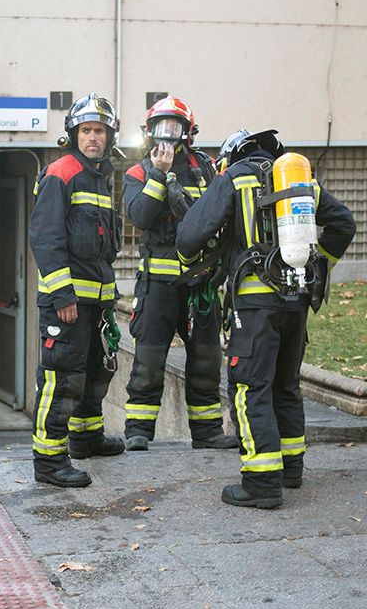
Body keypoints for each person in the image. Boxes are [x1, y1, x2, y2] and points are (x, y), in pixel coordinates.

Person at [177, 130, 355, 509]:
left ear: (231, 155)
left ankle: (261, 483)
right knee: (285, 386)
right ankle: (291, 471)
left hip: (255, 306)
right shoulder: (297, 179)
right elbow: (344, 223)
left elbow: (190, 236)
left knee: (249, 387)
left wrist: (195, 267)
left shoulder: (234, 177)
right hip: (296, 300)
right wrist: (319, 265)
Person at [121, 97, 237, 451]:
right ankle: (138, 431)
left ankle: (207, 433)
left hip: (201, 285)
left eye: (174, 128)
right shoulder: (139, 172)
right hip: (158, 287)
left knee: (206, 359)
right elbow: (139, 217)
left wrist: (218, 269)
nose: (167, 136)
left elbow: (224, 215)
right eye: (161, 128)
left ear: (188, 132)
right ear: (148, 133)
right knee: (149, 359)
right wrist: (158, 175)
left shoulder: (209, 169)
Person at [28, 93, 127, 488]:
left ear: (108, 136)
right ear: (74, 133)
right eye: (86, 130)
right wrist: (63, 296)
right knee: (62, 378)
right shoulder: (61, 172)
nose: (93, 138)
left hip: (97, 302)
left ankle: (86, 438)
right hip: (67, 304)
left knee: (94, 373)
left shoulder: (101, 177)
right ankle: (50, 461)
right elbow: (46, 238)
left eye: (99, 131)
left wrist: (109, 299)